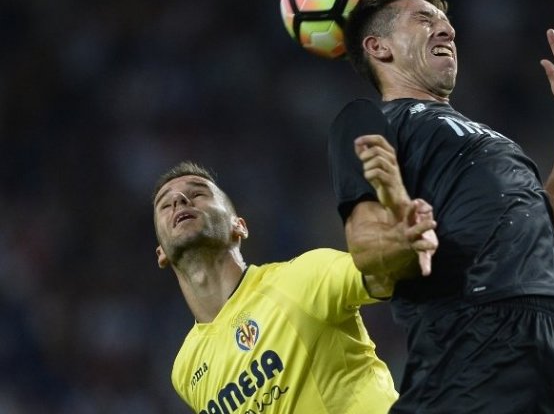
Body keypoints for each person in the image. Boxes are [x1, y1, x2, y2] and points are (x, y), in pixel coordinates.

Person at [327, 0, 554, 413]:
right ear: (379, 47)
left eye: (447, 24)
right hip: (471, 336)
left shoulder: (494, 139)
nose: (446, 31)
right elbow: (368, 248)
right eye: (424, 20)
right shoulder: (369, 120)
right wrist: (404, 239)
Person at [151, 161, 437, 413]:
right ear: (161, 252)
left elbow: (378, 272)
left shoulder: (301, 278)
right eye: (166, 204)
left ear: (238, 226)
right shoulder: (185, 371)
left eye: (198, 193)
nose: (179, 200)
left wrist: (401, 244)